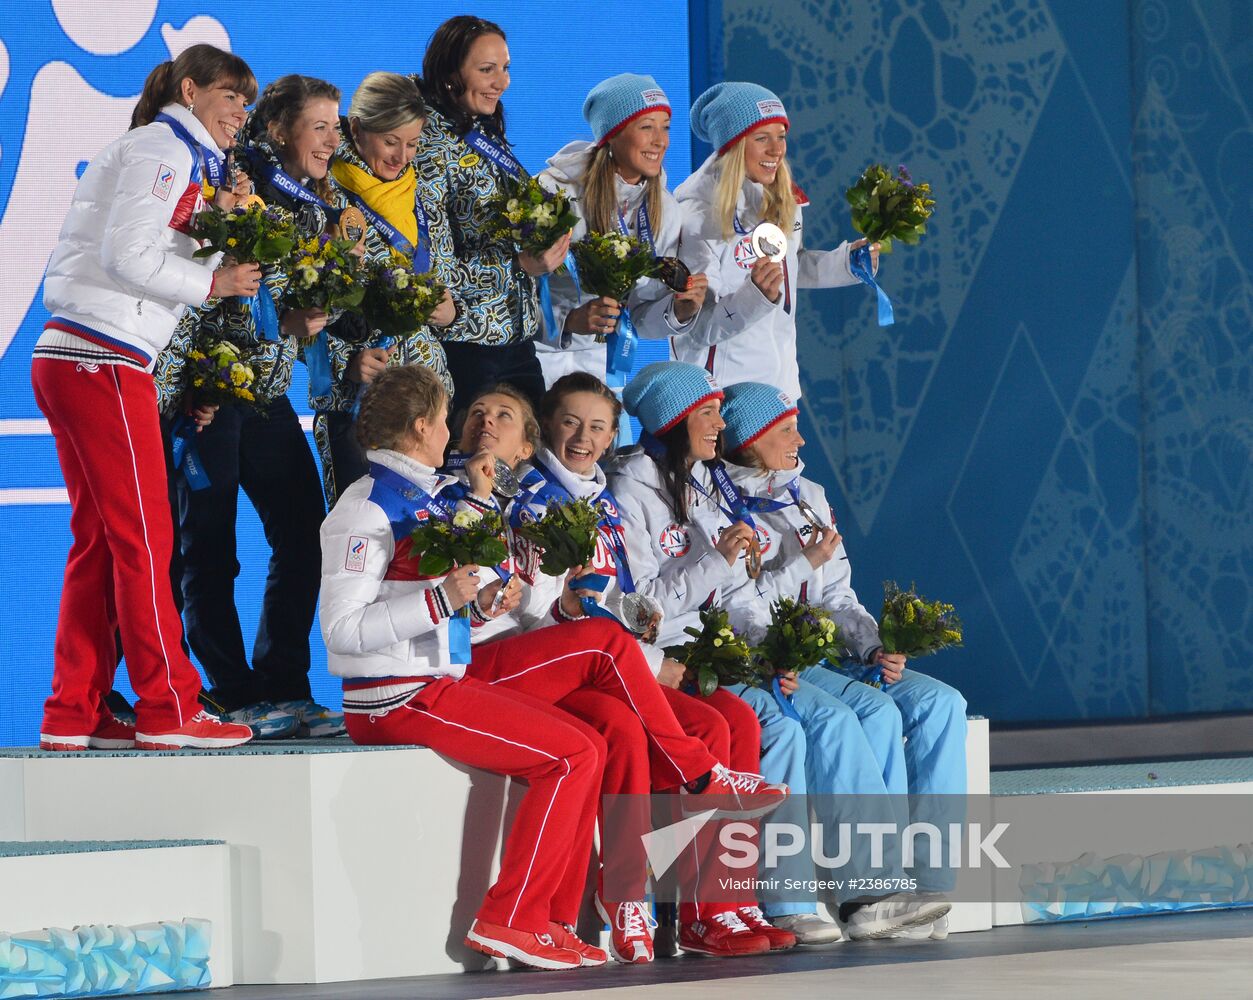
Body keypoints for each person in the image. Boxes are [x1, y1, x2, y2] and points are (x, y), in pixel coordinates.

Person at [455, 377, 790, 960]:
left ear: (613, 438)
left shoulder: (599, 499)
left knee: (727, 721)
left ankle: (719, 904)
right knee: (634, 731)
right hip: (549, 663)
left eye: (597, 427)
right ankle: (630, 888)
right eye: (570, 423)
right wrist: (635, 643)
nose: (583, 437)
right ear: (543, 433)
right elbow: (544, 607)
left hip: (600, 657)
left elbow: (616, 601)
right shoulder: (529, 498)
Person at [33, 44, 257, 750]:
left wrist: (219, 227)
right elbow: (125, 258)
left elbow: (148, 252)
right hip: (101, 356)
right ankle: (169, 708)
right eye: (230, 96)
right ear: (189, 90)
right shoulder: (165, 149)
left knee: (101, 543)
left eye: (247, 102)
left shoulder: (173, 156)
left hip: (80, 354)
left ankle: (75, 711)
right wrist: (214, 281)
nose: (240, 113)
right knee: (143, 541)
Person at [720, 380, 968, 940]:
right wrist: (803, 564)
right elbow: (742, 610)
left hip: (832, 653)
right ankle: (872, 889)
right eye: (785, 430)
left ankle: (926, 882)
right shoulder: (724, 505)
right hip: (775, 658)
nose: (799, 438)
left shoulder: (810, 494)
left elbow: (839, 597)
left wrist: (873, 645)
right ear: (752, 441)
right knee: (873, 714)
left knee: (941, 703)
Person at [607, 362, 829, 948]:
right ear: (675, 419)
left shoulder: (704, 480)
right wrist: (716, 559)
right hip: (655, 654)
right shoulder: (633, 484)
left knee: (741, 721)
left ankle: (729, 900)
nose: (719, 424)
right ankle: (705, 911)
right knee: (726, 725)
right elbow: (643, 604)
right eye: (706, 413)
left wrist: (761, 637)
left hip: (701, 650)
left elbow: (733, 591)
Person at [154, 74, 346, 738]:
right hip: (210, 394)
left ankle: (284, 686)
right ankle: (232, 695)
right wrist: (200, 383)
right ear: (277, 130)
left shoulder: (318, 203)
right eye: (318, 126)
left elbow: (276, 305)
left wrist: (299, 321)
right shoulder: (232, 189)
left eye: (335, 125)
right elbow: (193, 288)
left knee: (303, 536)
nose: (331, 139)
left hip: (267, 395)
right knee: (208, 550)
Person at [674, 83, 879, 400]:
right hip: (722, 395)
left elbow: (791, 266)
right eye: (761, 138)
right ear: (734, 145)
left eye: (781, 136)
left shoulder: (782, 199)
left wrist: (845, 263)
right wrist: (754, 296)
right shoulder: (698, 218)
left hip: (780, 385)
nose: (776, 150)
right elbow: (694, 330)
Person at [415, 15, 570, 410]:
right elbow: (432, 270)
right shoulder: (428, 150)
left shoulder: (478, 130)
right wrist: (521, 265)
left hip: (513, 336)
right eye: (487, 70)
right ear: (450, 74)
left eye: (505, 68)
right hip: (465, 346)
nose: (502, 82)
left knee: (533, 462)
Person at [315, 71, 456, 506]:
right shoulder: (325, 194)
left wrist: (452, 312)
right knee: (359, 541)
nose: (402, 156)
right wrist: (347, 362)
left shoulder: (421, 194)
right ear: (356, 129)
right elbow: (307, 305)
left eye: (412, 144)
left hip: (430, 397)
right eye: (391, 141)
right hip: (361, 399)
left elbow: (445, 276)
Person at [533, 74, 708, 388]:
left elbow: (637, 317)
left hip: (602, 376)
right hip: (536, 364)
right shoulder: (553, 192)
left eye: (665, 127)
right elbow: (508, 295)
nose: (661, 140)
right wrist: (568, 322)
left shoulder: (664, 210)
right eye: (646, 127)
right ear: (612, 134)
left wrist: (679, 310)